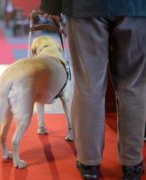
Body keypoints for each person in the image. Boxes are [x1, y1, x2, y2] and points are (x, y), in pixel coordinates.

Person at [40, 0, 146, 179]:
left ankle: (89, 163)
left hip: (85, 7)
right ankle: (132, 163)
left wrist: (52, 4)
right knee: (132, 85)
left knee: (88, 85)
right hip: (136, 6)